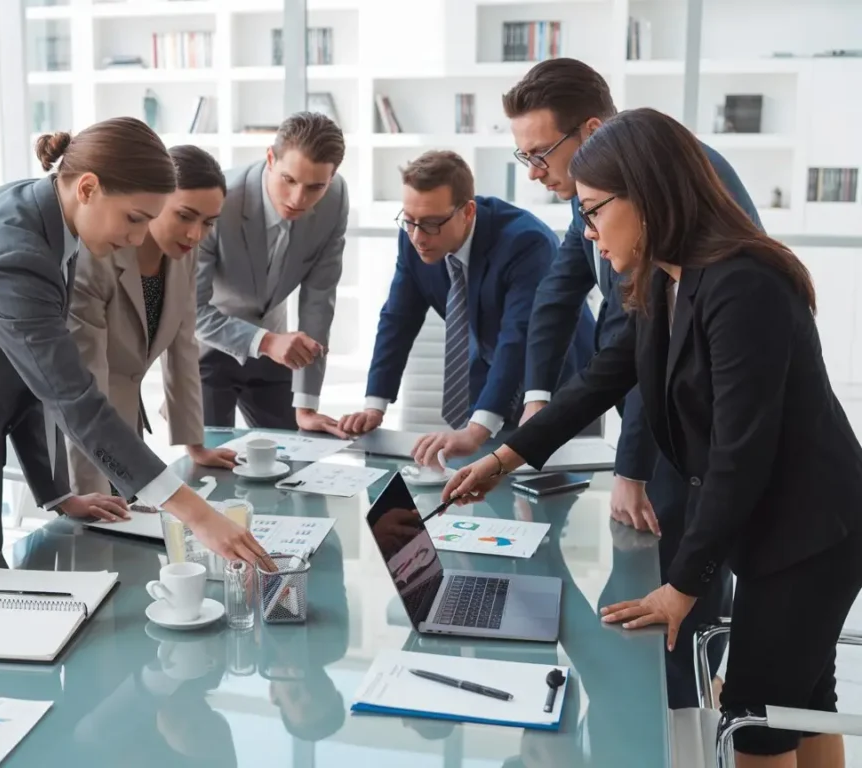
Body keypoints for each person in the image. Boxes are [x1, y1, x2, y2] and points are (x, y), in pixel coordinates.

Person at [443, 107, 862, 766]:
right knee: (802, 704)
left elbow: (738, 454)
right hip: (783, 526)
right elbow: (605, 376)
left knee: (754, 721)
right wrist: (505, 455)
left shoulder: (742, 286)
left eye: (593, 212)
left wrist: (683, 587)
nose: (586, 232)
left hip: (811, 535)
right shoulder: (668, 278)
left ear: (646, 195)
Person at [0, 118, 271, 612]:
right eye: (134, 218)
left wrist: (56, 493)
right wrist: (197, 514)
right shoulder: (12, 254)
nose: (137, 238)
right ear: (88, 187)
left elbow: (30, 379)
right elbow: (73, 398)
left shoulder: (45, 216)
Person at [503, 57, 760, 707]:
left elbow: (649, 354)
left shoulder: (674, 199)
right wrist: (531, 418)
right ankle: (662, 703)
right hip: (696, 438)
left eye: (540, 154)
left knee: (682, 602)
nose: (536, 174)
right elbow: (566, 300)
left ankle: (676, 711)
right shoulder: (606, 184)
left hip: (706, 437)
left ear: (589, 131)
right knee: (654, 606)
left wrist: (631, 467)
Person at [337, 150, 595, 465]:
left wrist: (476, 430)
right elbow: (397, 320)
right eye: (409, 221)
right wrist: (374, 406)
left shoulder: (525, 242)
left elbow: (517, 338)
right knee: (483, 485)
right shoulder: (414, 237)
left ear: (468, 211)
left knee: (549, 489)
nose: (418, 236)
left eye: (431, 224)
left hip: (556, 377)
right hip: (490, 373)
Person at [67, 145, 236, 502]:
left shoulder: (183, 257)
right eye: (185, 216)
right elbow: (86, 379)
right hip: (77, 427)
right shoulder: (98, 257)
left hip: (125, 422)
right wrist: (93, 494)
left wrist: (195, 443)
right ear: (155, 201)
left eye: (208, 223)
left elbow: (182, 346)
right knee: (96, 534)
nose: (195, 234)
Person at [196, 112, 349, 437]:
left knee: (295, 458)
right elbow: (190, 309)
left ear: (332, 177)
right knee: (211, 466)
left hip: (275, 341)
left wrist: (306, 404)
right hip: (207, 347)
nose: (298, 199)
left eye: (315, 187)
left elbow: (319, 300)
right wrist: (265, 342)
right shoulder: (219, 201)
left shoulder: (335, 200)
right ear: (270, 158)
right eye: (289, 180)